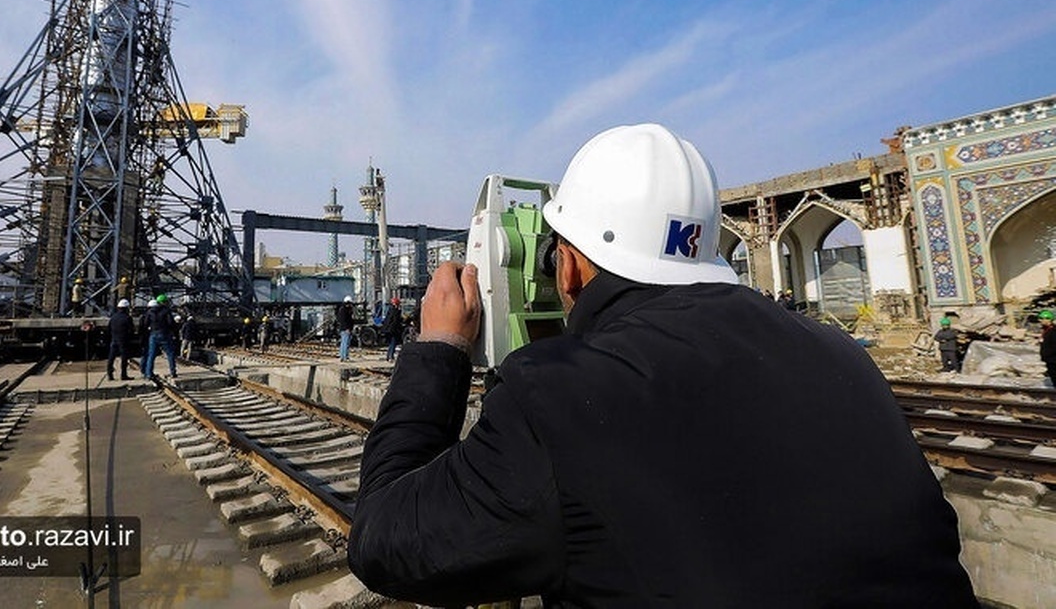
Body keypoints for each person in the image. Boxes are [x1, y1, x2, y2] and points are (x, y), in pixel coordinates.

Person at [348, 123, 977, 607]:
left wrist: (438, 351)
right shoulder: (842, 357)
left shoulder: (558, 399)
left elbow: (381, 538)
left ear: (565, 265)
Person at [142, 293, 178, 380]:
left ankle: (148, 374)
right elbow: (171, 323)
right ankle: (173, 372)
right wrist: (174, 332)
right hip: (164, 334)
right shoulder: (166, 311)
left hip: (153, 334)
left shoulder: (150, 312)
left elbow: (145, 324)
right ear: (163, 302)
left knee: (151, 355)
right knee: (170, 354)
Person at [106, 299, 134, 381]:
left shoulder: (113, 317)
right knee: (124, 358)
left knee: (111, 357)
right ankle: (123, 375)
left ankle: (110, 375)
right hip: (123, 340)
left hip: (114, 339)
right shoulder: (127, 318)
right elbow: (131, 330)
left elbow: (109, 328)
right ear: (126, 308)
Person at [381, 296, 403, 361]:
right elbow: (395, 321)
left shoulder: (390, 310)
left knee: (391, 343)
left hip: (388, 329)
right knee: (393, 343)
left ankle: (388, 356)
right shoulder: (395, 311)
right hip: (393, 330)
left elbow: (387, 320)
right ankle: (391, 356)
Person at [1040, 309, 1056, 387]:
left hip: (1053, 360)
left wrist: (1049, 355)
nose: (1041, 320)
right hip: (1049, 360)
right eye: (1040, 318)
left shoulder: (1053, 331)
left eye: (1044, 318)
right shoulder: (1046, 330)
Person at [337, 296, 355, 361]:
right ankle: (345, 356)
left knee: (344, 343)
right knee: (345, 343)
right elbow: (344, 321)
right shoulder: (344, 311)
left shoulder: (342, 309)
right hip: (346, 329)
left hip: (345, 328)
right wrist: (347, 328)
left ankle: (342, 356)